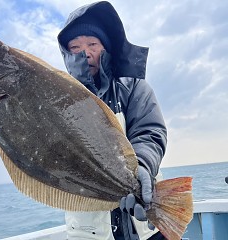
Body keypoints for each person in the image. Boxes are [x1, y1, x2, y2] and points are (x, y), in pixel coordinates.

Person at [57, 1, 167, 240]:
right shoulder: (60, 101)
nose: (85, 52)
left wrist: (141, 168)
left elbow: (149, 133)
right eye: (74, 47)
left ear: (106, 47)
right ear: (67, 54)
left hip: (147, 217)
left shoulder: (134, 87)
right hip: (90, 231)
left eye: (92, 44)